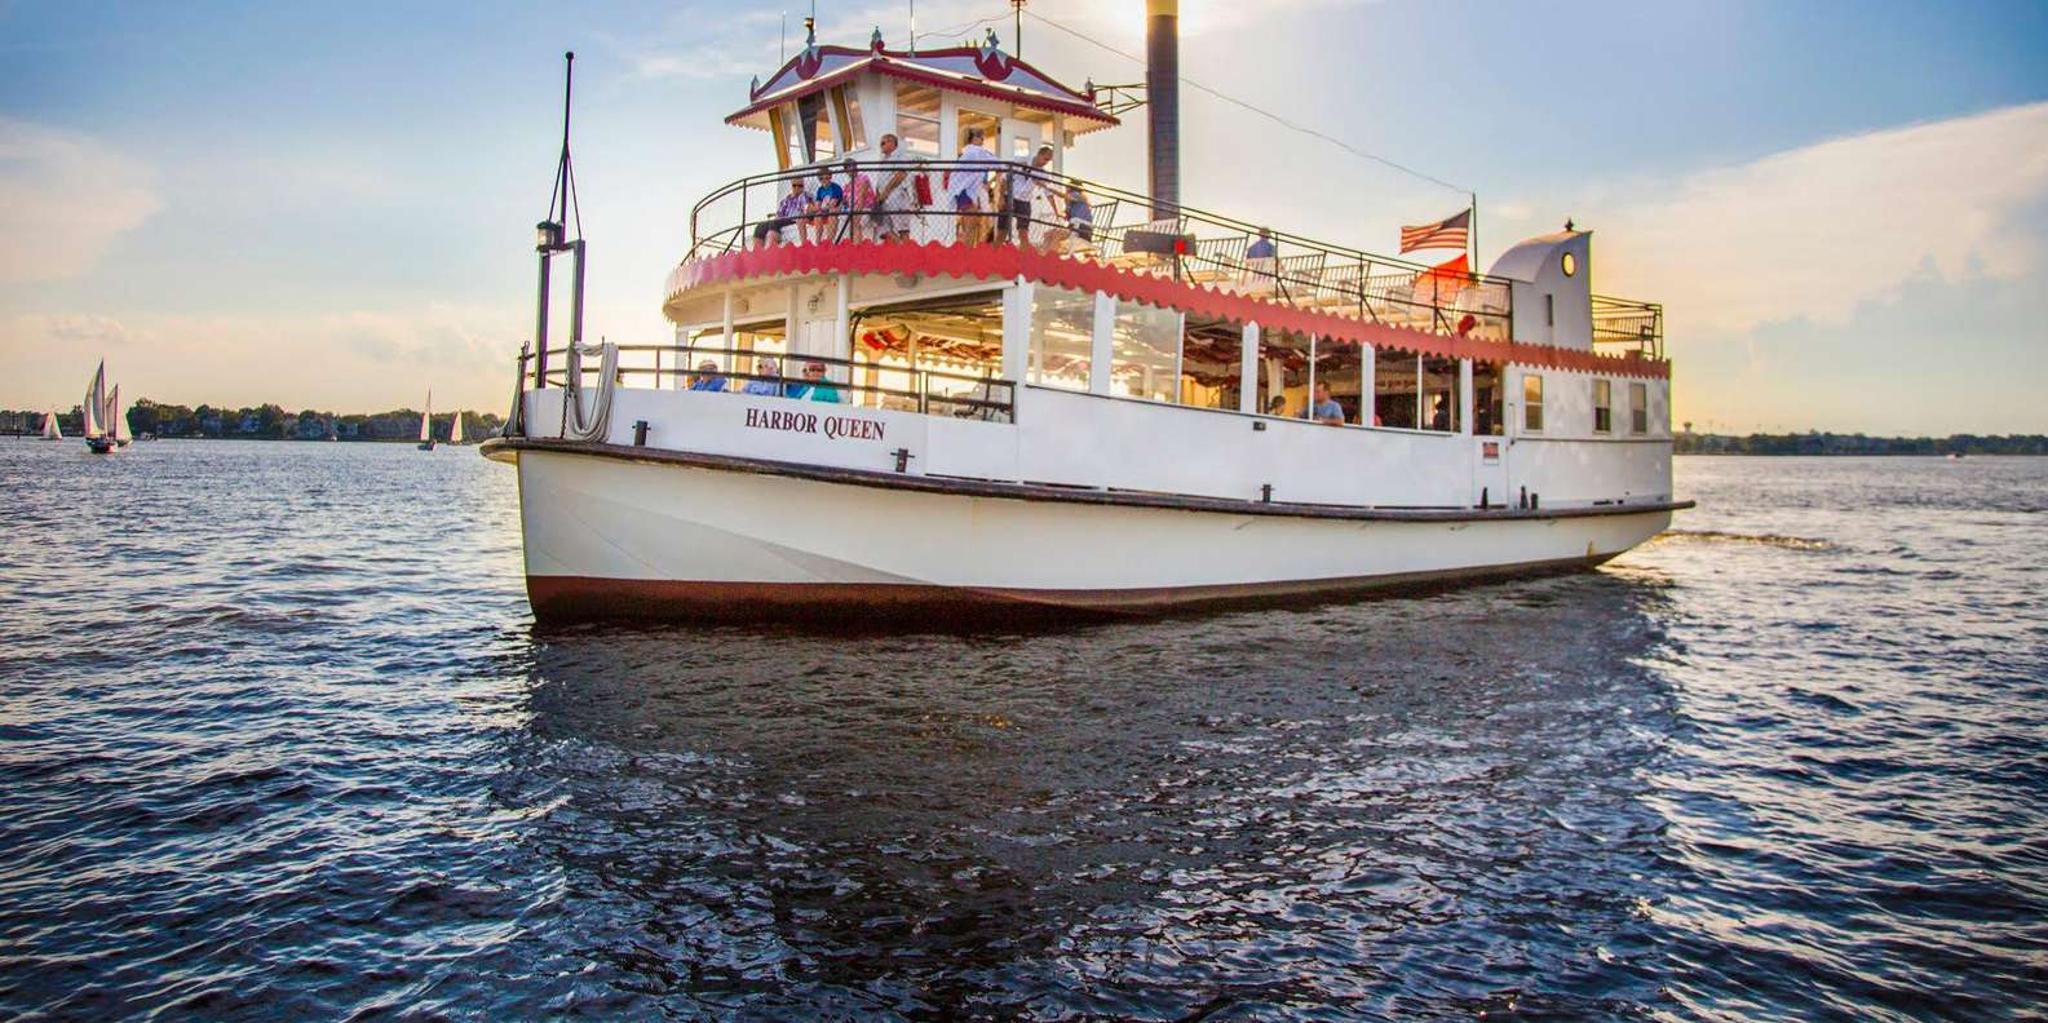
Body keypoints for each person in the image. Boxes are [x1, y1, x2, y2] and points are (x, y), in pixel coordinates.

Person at [948, 127, 999, 246]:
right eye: (982, 138)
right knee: (970, 222)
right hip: (965, 191)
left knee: (969, 222)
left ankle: (967, 248)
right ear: (975, 139)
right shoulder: (975, 151)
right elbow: (996, 162)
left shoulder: (966, 152)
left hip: (961, 191)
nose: (983, 141)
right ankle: (966, 251)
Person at [1005, 145, 1056, 249]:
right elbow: (1006, 173)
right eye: (1045, 159)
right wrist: (1002, 194)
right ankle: (995, 254)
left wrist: (1056, 211)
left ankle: (1024, 258)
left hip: (1024, 200)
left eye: (1048, 161)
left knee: (1023, 232)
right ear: (1039, 154)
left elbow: (1048, 193)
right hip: (1011, 196)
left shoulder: (1043, 174)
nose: (1045, 162)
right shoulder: (1020, 160)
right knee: (1003, 230)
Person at [755, 178, 807, 247]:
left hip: (794, 219)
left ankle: (771, 247)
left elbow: (806, 208)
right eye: (794, 185)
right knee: (760, 226)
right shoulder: (786, 199)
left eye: (800, 186)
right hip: (784, 218)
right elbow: (780, 213)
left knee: (775, 222)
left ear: (803, 187)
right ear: (791, 186)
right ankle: (758, 251)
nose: (797, 188)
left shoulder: (805, 197)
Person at [841, 156, 877, 241]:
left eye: (853, 166)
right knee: (851, 223)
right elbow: (844, 200)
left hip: (865, 207)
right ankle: (855, 244)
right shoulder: (848, 185)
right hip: (853, 209)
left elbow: (862, 196)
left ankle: (857, 247)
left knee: (855, 221)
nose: (851, 169)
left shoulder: (863, 178)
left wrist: (858, 211)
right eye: (848, 168)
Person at [806, 167, 844, 242]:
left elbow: (833, 204)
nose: (824, 180)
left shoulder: (835, 188)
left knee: (832, 214)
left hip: (835, 209)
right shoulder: (820, 190)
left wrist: (819, 208)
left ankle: (829, 241)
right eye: (821, 179)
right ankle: (818, 241)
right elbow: (817, 204)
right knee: (818, 216)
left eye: (826, 178)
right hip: (825, 210)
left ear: (830, 177)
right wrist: (818, 208)